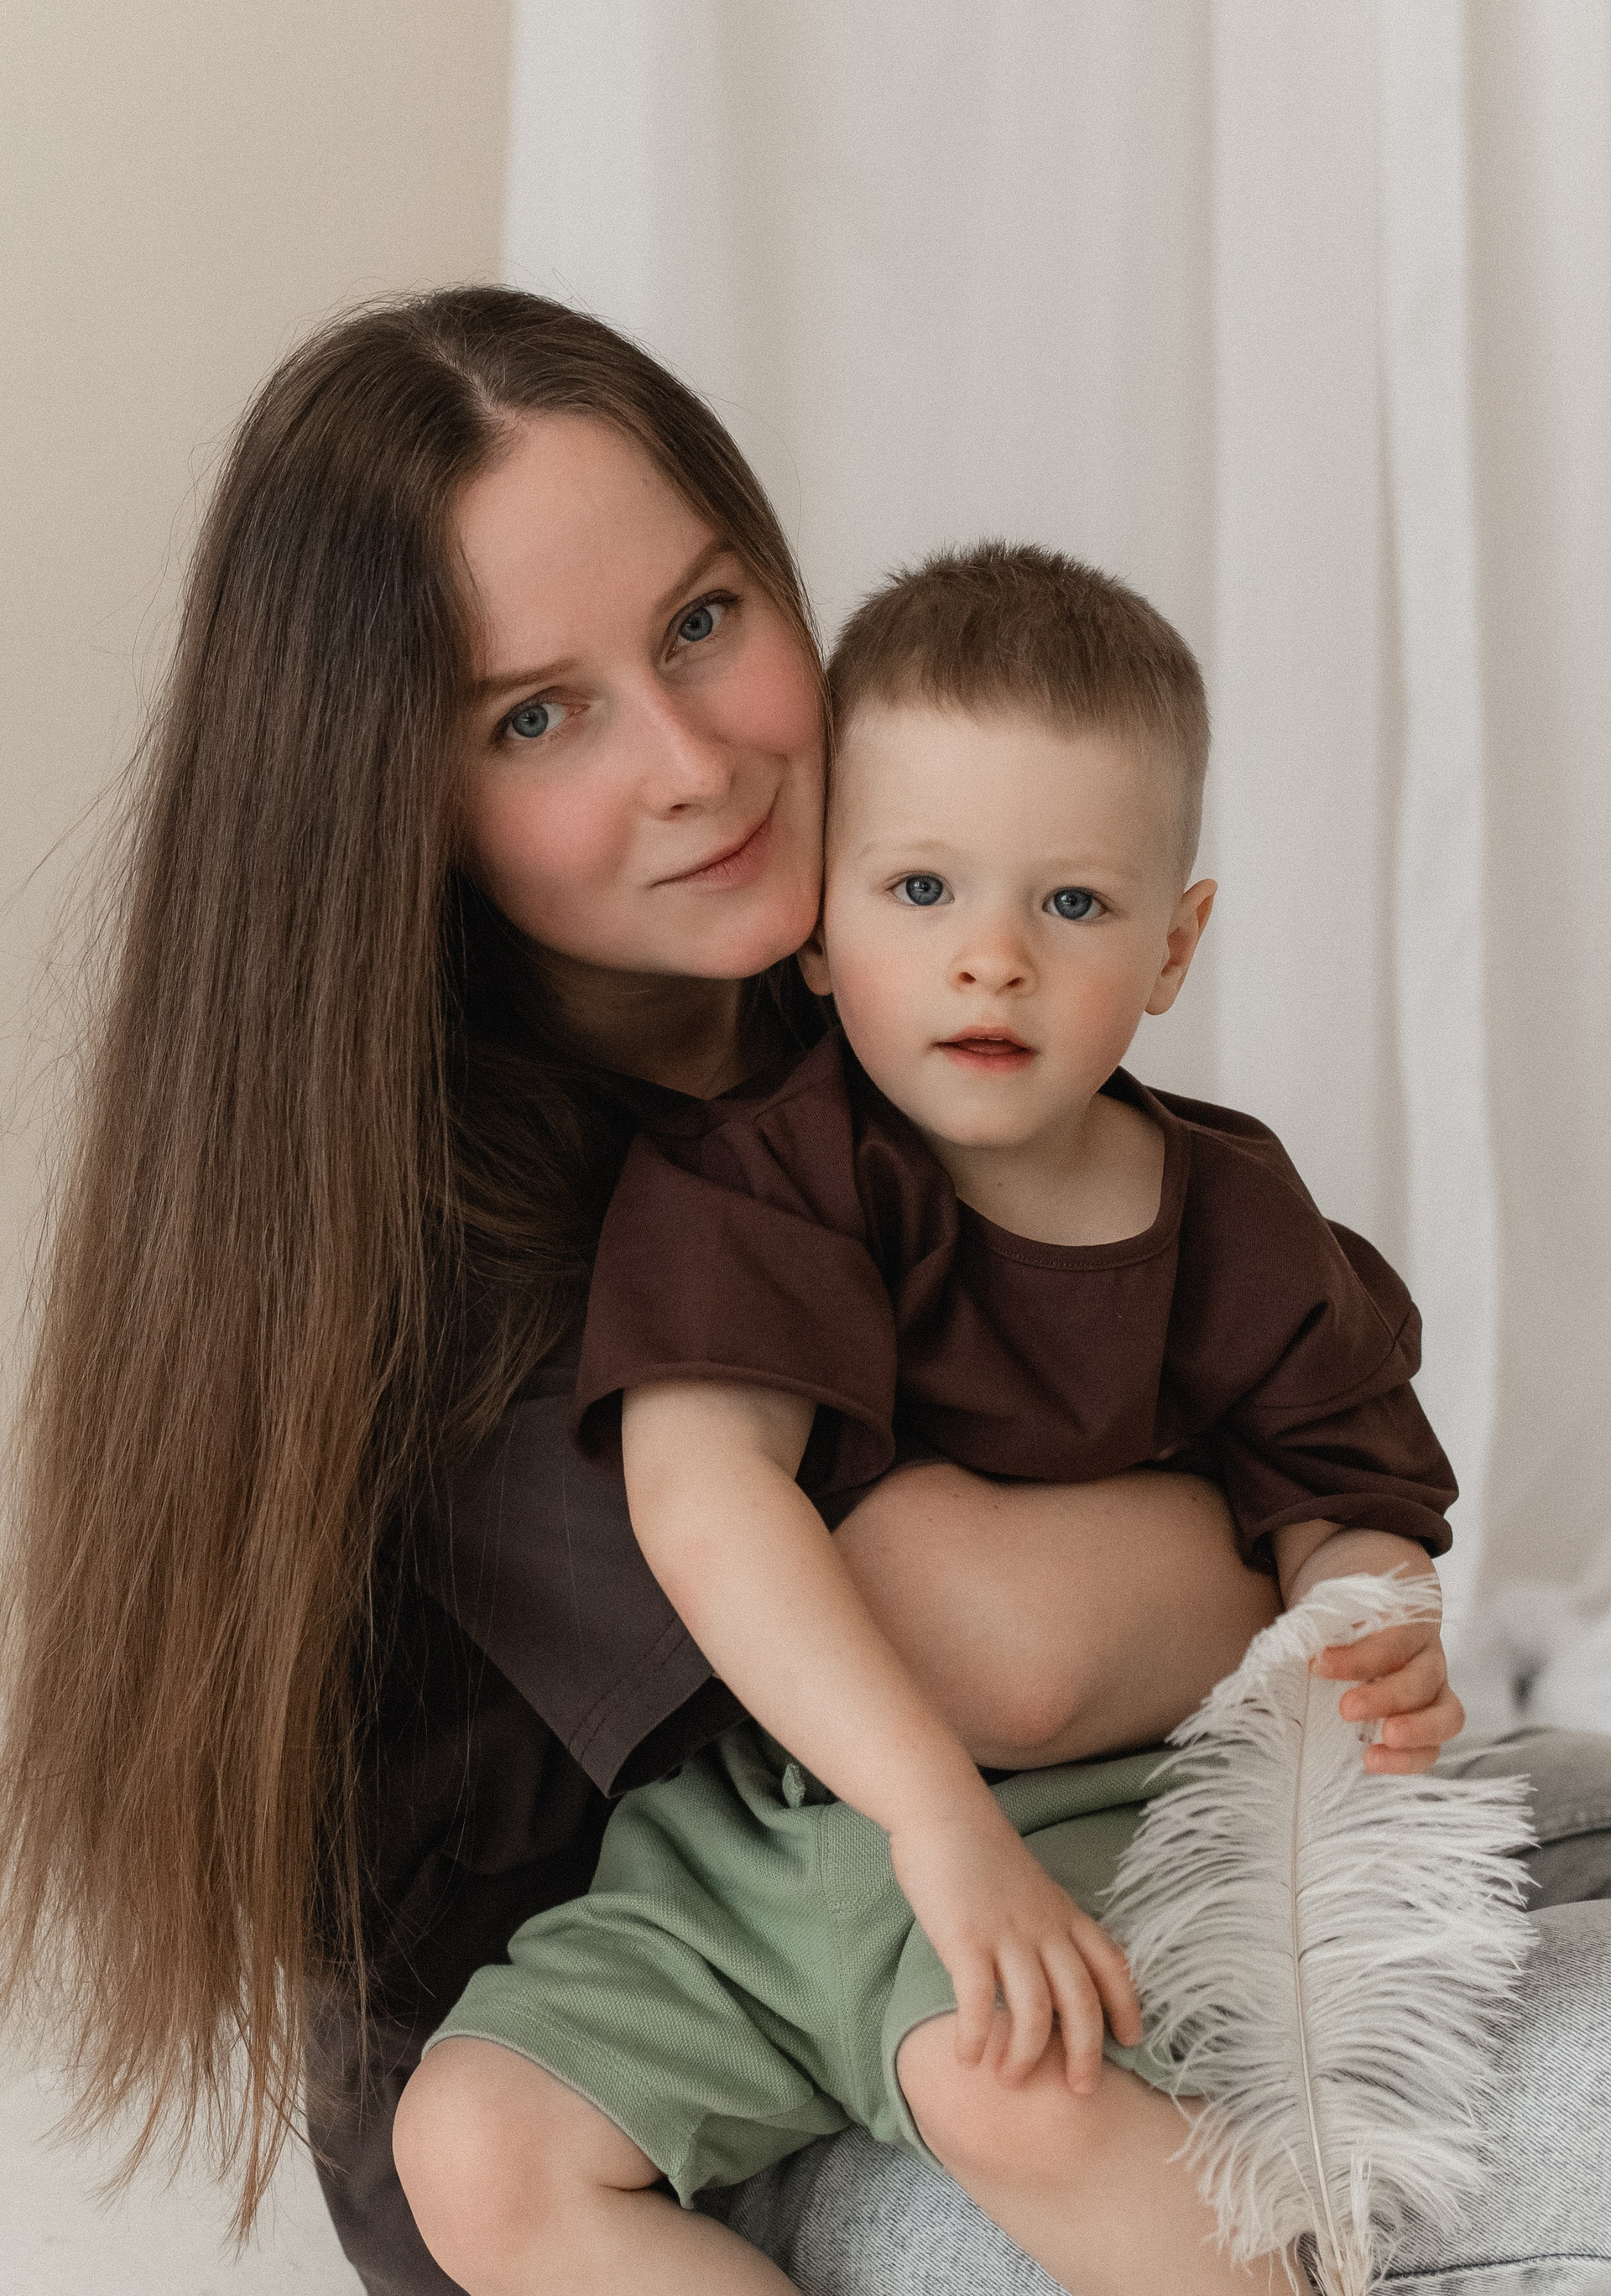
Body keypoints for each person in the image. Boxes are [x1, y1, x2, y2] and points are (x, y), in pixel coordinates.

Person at [0, 286, 1606, 2296]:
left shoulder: (888, 1016)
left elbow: (1245, 1433)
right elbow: (1018, 1661)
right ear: (396, 801)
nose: (697, 761)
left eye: (701, 621)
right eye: (535, 716)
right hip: (672, 2062)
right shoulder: (439, 1239)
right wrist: (1281, 1568)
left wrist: (1334, 1574)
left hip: (1043, 1870)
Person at [394, 545, 1467, 2296]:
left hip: (1093, 1816)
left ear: (1175, 945)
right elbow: (706, 1490)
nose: (991, 961)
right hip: (768, 1836)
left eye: (1073, 905)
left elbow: (1347, 1498)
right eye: (918, 889)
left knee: (1014, 2081)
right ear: (817, 929)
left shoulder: (1242, 1221)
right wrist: (929, 1820)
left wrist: (1371, 1621)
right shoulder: (756, 1181)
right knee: (473, 2143)